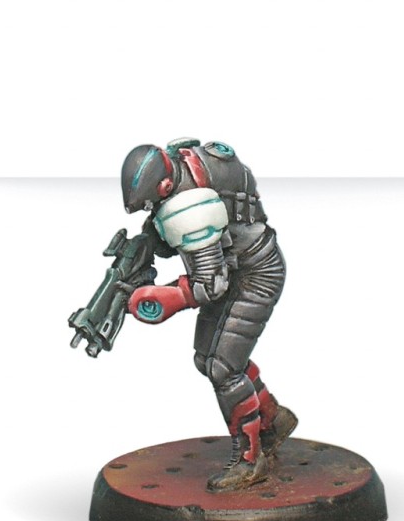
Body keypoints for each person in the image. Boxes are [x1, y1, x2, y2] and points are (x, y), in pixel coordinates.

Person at [122, 137, 297, 492]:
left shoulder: (190, 206)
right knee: (207, 359)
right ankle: (272, 420)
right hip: (239, 264)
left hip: (255, 273)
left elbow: (209, 285)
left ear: (165, 186)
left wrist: (163, 298)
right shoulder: (188, 162)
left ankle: (250, 460)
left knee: (223, 368)